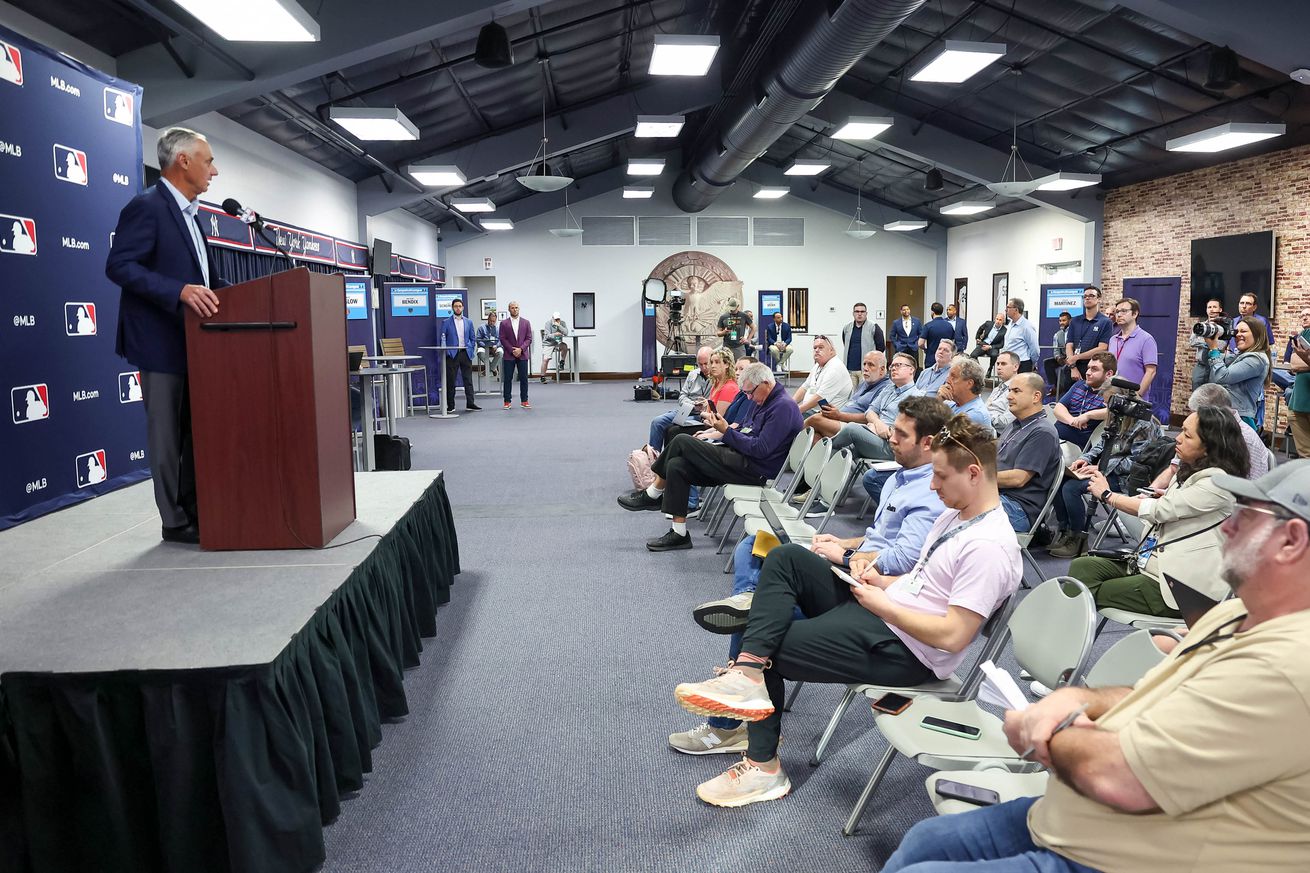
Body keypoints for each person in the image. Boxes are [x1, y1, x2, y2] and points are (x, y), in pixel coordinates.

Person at [882, 461, 1310, 873]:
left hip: (1128, 857)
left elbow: (1117, 778)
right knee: (925, 841)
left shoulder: (1288, 665)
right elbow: (1149, 696)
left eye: (1245, 516)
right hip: (1074, 821)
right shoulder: (1237, 615)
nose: (1227, 526)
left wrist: (1044, 729)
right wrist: (1078, 698)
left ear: (1291, 540)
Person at [670, 415, 1020, 807]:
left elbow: (954, 635)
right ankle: (746, 672)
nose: (933, 485)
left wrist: (884, 603)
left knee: (772, 644)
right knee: (786, 558)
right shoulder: (955, 515)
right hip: (886, 611)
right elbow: (923, 581)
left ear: (974, 473)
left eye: (940, 476)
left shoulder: (989, 546)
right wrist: (879, 582)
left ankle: (763, 766)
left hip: (908, 650)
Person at [674, 397, 952, 756]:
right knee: (753, 548)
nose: (889, 437)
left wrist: (848, 554)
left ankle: (729, 725)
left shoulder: (932, 492)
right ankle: (749, 603)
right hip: (856, 573)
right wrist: (845, 541)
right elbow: (881, 536)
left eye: (900, 433)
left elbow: (904, 560)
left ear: (927, 442)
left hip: (870, 590)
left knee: (761, 619)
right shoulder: (901, 476)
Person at [105, 127, 228, 545]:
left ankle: (196, 507)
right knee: (167, 435)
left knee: (195, 431)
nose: (215, 170)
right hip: (160, 344)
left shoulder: (195, 215)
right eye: (208, 160)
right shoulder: (147, 207)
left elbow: (207, 279)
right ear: (184, 161)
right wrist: (178, 291)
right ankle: (174, 520)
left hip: (197, 345)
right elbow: (119, 266)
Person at [1069, 405, 1247, 615]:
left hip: (1181, 585)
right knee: (1083, 567)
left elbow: (1160, 511)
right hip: (1152, 562)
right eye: (1181, 430)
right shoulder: (1190, 469)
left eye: (1187, 436)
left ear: (1209, 446)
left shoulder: (1218, 482)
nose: (1178, 438)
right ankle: (1069, 633)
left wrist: (1107, 495)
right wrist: (1163, 496)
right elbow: (1174, 505)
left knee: (1086, 591)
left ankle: (1070, 635)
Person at [618, 363, 803, 552]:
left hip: (755, 470)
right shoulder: (763, 400)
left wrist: (726, 433)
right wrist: (721, 429)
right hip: (741, 458)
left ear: (765, 383)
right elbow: (745, 429)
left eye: (750, 392)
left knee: (681, 440)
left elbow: (761, 449)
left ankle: (653, 493)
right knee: (677, 465)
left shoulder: (783, 407)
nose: (749, 397)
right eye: (746, 393)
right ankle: (679, 534)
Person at [1049, 380, 1162, 558]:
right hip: (1109, 471)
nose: (1107, 407)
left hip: (1129, 478)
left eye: (1108, 402)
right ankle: (1065, 530)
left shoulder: (1145, 425)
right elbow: (1102, 444)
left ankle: (1078, 539)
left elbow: (1136, 463)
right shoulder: (1117, 416)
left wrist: (1100, 467)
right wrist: (1084, 460)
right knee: (1059, 477)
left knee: (1072, 488)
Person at [996, 373, 1062, 532]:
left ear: (1036, 396)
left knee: (955, 503)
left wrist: (974, 479)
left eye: (1016, 391)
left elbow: (1018, 479)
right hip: (1000, 497)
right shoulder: (1017, 424)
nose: (1009, 397)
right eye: (1009, 391)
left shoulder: (1042, 432)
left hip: (1017, 509)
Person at [829, 352, 921, 463]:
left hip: (892, 446)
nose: (893, 369)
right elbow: (870, 411)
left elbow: (907, 432)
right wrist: (878, 424)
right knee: (840, 453)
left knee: (851, 429)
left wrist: (881, 428)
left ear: (911, 370)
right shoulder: (888, 389)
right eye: (892, 366)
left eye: (898, 365)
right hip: (874, 435)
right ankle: (813, 477)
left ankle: (826, 445)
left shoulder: (917, 397)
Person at [1199, 316, 1273, 426]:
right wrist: (1210, 341)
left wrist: (1214, 349)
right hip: (1227, 414)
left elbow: (1221, 377)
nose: (1238, 335)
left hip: (1240, 419)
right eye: (1237, 331)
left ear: (1257, 335)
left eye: (1243, 331)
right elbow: (1207, 360)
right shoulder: (1240, 355)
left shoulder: (1256, 359)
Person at [807, 351, 890, 442]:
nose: (865, 368)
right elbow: (852, 405)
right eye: (864, 364)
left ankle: (789, 439)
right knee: (815, 435)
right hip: (841, 420)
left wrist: (839, 415)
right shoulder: (864, 383)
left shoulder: (885, 389)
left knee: (815, 420)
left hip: (856, 427)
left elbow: (871, 417)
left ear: (882, 369)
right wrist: (834, 412)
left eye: (871, 365)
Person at [646, 346, 713, 452]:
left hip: (702, 415)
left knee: (673, 428)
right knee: (657, 422)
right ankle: (654, 458)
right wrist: (693, 404)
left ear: (712, 361)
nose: (703, 367)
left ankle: (664, 461)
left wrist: (704, 406)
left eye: (706, 363)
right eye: (700, 364)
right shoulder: (692, 374)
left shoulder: (717, 378)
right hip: (687, 410)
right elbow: (682, 396)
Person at [1051, 350, 1113, 449]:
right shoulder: (1080, 385)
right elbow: (1058, 408)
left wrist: (1088, 415)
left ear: (1109, 374)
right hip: (1055, 438)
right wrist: (1073, 421)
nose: (1088, 373)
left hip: (1079, 448)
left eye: (1094, 369)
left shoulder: (1112, 393)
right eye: (1088, 368)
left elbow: (1114, 412)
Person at [1108, 297, 1158, 398]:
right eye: (1117, 311)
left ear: (1135, 314)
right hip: (1113, 395)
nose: (1119, 314)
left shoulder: (1146, 339)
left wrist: (1137, 395)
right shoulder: (1113, 339)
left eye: (1124, 311)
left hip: (1134, 398)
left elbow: (1151, 371)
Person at [1064, 285, 1113, 384]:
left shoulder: (1105, 322)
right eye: (1085, 296)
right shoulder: (1075, 320)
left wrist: (1077, 357)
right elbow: (1069, 344)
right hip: (1072, 368)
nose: (1087, 298)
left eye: (1091, 295)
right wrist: (1073, 367)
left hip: (1093, 369)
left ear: (1098, 299)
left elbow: (1102, 348)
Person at [792, 335, 852, 414]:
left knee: (785, 420)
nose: (816, 350)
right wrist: (790, 405)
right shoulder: (818, 365)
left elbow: (819, 398)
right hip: (811, 411)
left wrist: (795, 412)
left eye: (821, 347)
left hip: (824, 415)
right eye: (815, 348)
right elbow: (804, 388)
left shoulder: (835, 368)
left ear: (831, 350)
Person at [438, 298, 479, 412]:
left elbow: (472, 338)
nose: (458, 308)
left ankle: (470, 403)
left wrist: (470, 348)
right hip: (452, 354)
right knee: (451, 381)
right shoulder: (446, 322)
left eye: (460, 306)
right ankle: (451, 406)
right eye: (456, 306)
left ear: (463, 308)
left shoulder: (469, 322)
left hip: (465, 353)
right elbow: (442, 338)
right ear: (452, 308)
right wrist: (447, 352)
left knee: (468, 380)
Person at [937, 356, 994, 436]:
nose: (947, 380)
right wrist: (939, 400)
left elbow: (944, 441)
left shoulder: (976, 414)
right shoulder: (950, 404)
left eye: (953, 377)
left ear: (969, 384)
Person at [498, 300, 532, 408]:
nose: (515, 309)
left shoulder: (526, 322)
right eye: (512, 308)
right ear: (509, 309)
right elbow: (502, 338)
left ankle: (524, 400)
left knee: (524, 378)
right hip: (509, 354)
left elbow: (529, 338)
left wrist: (521, 349)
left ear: (519, 309)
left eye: (516, 307)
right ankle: (507, 401)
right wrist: (512, 350)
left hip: (522, 354)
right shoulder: (504, 323)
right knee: (507, 378)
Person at [842, 302, 886, 381]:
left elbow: (881, 347)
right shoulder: (847, 328)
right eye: (857, 311)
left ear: (866, 313)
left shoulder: (873, 327)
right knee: (852, 393)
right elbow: (845, 343)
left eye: (862, 312)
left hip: (867, 370)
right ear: (853, 313)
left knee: (865, 393)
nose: (859, 314)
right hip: (850, 370)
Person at [1290, 309, 1310, 457]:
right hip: (1298, 404)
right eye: (1301, 315)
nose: (1304, 317)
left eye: (1308, 314)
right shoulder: (1302, 336)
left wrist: (1305, 359)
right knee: (1305, 456)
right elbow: (1294, 364)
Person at [985, 351, 1020, 433]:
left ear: (1015, 367)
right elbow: (985, 408)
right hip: (986, 427)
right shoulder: (998, 388)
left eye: (1003, 364)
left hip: (997, 434)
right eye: (998, 364)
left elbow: (1005, 423)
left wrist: (984, 416)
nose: (999, 367)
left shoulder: (1018, 390)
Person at [1001, 297, 1039, 374]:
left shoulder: (1027, 326)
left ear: (1016, 310)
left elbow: (1035, 349)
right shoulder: (1010, 324)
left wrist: (1031, 363)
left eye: (1008, 307)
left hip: (1022, 364)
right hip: (1009, 364)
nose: (1006, 310)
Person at [1042, 311, 1072, 398]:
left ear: (1069, 321)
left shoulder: (1074, 332)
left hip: (1073, 358)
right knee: (1047, 362)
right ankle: (1055, 385)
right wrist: (1058, 357)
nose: (1061, 323)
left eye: (1064, 320)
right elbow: (1056, 349)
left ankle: (1061, 388)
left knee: (1064, 370)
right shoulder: (1057, 334)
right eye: (1060, 321)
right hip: (1062, 358)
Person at [968, 313, 1007, 378]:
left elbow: (1001, 344)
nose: (998, 321)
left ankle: (990, 369)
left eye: (1000, 320)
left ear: (1003, 321)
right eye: (997, 319)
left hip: (993, 346)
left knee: (994, 355)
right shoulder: (988, 323)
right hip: (984, 343)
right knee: (972, 355)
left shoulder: (1004, 330)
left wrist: (990, 347)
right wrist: (977, 338)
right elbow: (980, 329)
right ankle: (979, 370)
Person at [540, 312, 569, 382]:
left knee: (565, 346)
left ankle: (562, 361)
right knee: (545, 360)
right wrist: (555, 334)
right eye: (555, 319)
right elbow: (546, 336)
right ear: (552, 318)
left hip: (558, 342)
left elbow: (566, 333)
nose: (557, 320)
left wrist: (559, 326)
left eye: (558, 319)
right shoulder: (548, 323)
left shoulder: (562, 323)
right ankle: (542, 376)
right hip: (548, 343)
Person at [475, 310, 502, 380]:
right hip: (484, 346)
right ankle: (493, 368)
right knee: (480, 353)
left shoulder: (498, 329)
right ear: (488, 319)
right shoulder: (481, 327)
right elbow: (478, 339)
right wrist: (485, 346)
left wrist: (497, 345)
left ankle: (488, 369)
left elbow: (501, 340)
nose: (492, 323)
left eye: (494, 321)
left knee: (500, 353)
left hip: (494, 346)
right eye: (490, 321)